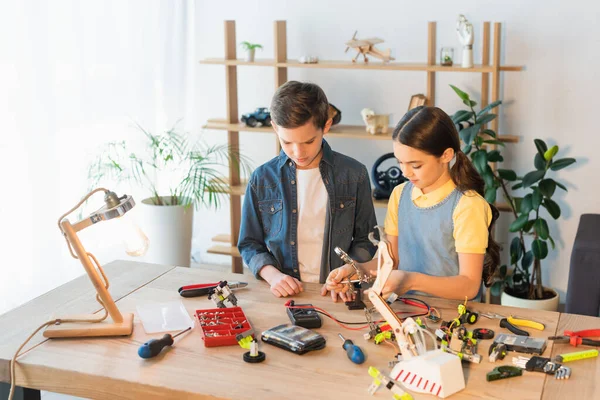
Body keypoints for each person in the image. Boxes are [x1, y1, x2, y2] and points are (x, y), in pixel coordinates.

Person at [324, 106, 500, 301]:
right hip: (406, 310)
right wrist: (357, 269)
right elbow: (392, 261)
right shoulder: (400, 195)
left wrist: (411, 280)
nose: (405, 173)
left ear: (446, 155)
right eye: (400, 162)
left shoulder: (468, 205)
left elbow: (469, 285)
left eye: (415, 165)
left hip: (453, 318)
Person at [238, 81, 377, 298]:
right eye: (287, 142)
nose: (298, 152)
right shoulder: (262, 178)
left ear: (327, 125)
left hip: (336, 292)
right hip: (283, 294)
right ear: (275, 127)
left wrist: (349, 273)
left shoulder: (354, 174)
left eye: (309, 141)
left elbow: (365, 240)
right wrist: (273, 276)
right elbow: (249, 243)